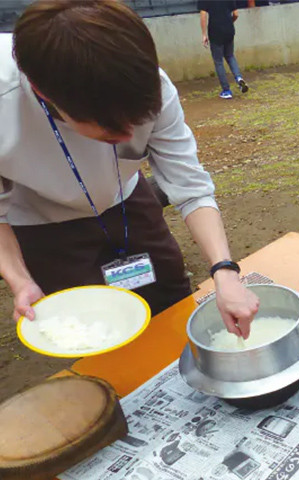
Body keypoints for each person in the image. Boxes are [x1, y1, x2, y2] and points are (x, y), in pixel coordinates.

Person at [1, 0, 259, 338]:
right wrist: (20, 280)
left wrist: (224, 271)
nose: (129, 138)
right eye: (109, 129)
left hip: (127, 203)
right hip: (41, 222)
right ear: (42, 93)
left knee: (172, 303)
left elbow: (189, 184)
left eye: (138, 123)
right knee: (93, 330)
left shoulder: (150, 83)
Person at [199, 0, 249, 100]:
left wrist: (204, 34)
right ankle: (238, 78)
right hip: (229, 30)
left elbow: (203, 15)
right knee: (230, 56)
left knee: (218, 62)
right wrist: (229, 23)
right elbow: (236, 14)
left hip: (215, 31)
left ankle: (226, 90)